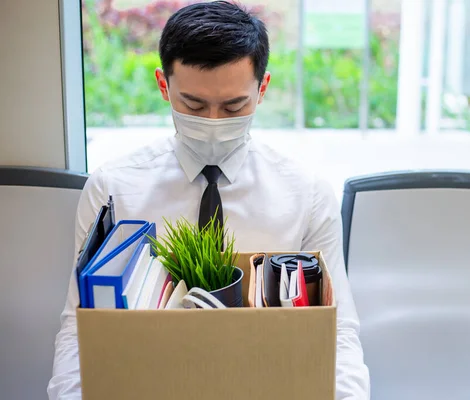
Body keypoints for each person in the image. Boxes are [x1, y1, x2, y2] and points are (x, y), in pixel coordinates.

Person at [48, 1, 370, 399]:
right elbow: (77, 331)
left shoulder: (306, 192)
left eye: (235, 106)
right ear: (164, 86)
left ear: (262, 89)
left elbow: (338, 332)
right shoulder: (112, 187)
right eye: (194, 105)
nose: (214, 123)